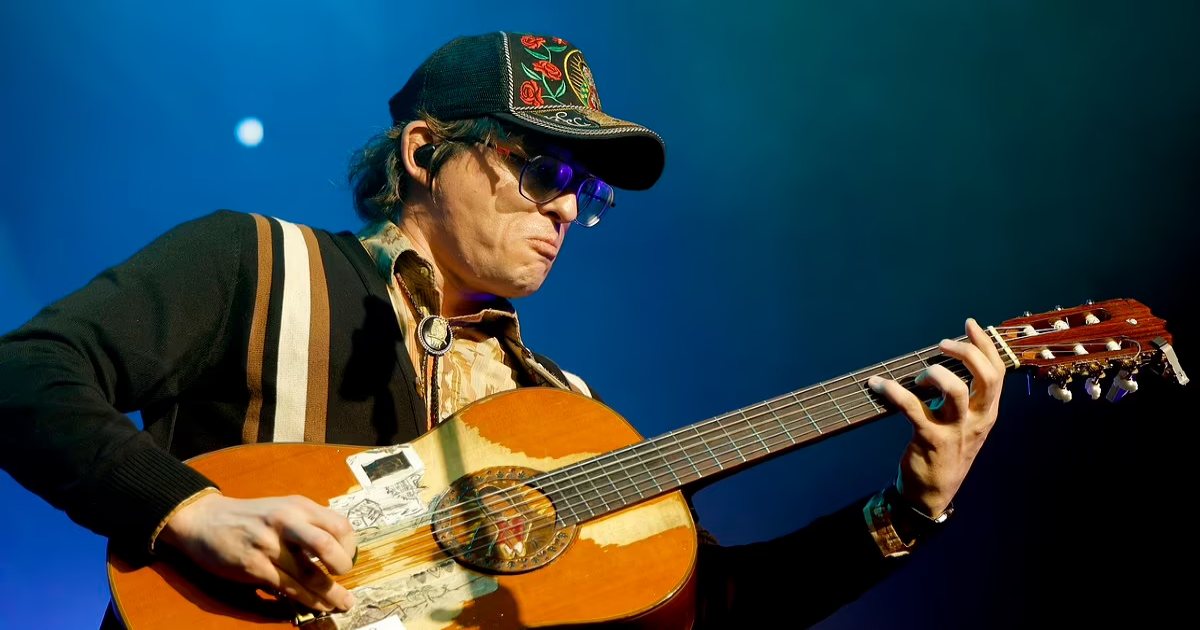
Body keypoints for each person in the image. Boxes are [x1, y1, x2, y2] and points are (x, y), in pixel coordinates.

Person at [0, 31, 1005, 629]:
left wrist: (910, 511)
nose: (566, 207)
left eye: (585, 192)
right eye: (542, 170)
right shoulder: (254, 264)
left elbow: (706, 609)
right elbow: (25, 375)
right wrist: (189, 511)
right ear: (424, 153)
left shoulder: (562, 411)